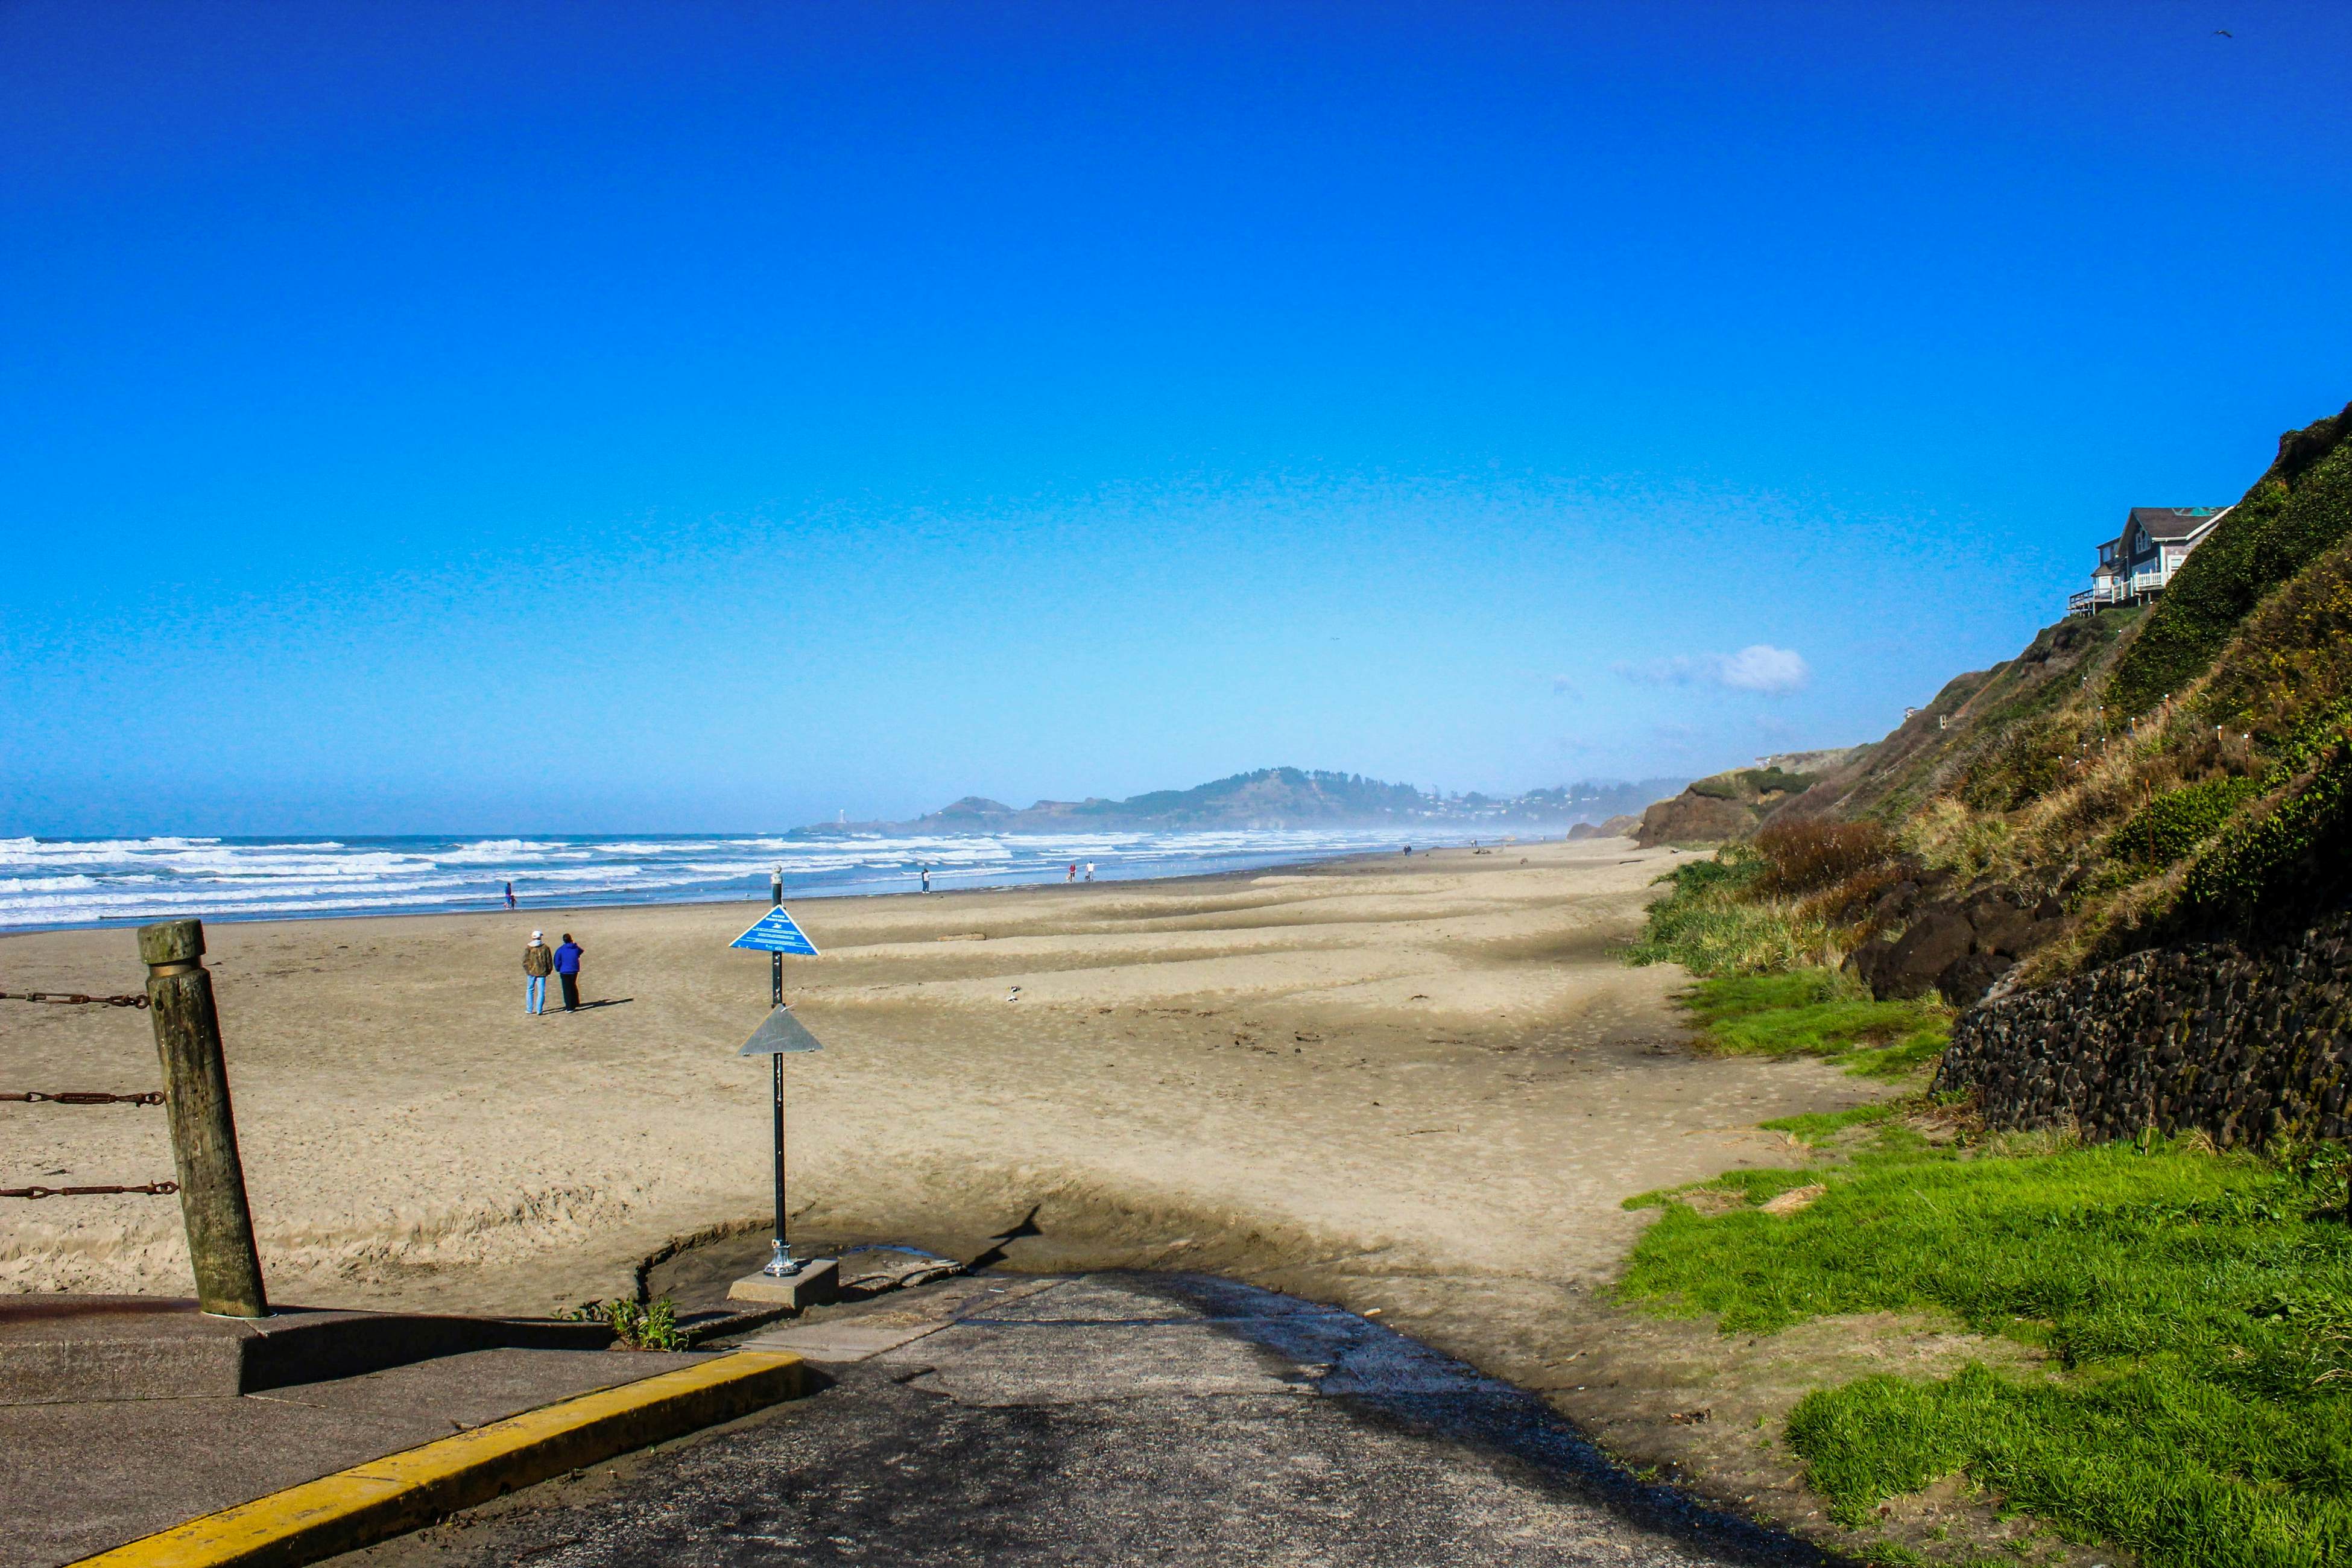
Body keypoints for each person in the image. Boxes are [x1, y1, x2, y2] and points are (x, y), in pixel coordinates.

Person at [522, 931, 553, 1015]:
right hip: (542, 972)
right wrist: (549, 970)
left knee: (530, 990)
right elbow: (549, 960)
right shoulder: (545, 947)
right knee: (541, 991)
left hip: (531, 972)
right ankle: (539, 1010)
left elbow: (525, 961)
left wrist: (528, 970)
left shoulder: (529, 947)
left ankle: (529, 1009)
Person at [554, 932, 584, 1012]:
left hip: (564, 971)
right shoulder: (575, 948)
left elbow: (557, 961)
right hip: (574, 970)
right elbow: (581, 951)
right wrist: (575, 945)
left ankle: (570, 1007)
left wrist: (558, 969)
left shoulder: (560, 950)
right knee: (573, 986)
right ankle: (575, 1003)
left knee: (567, 989)